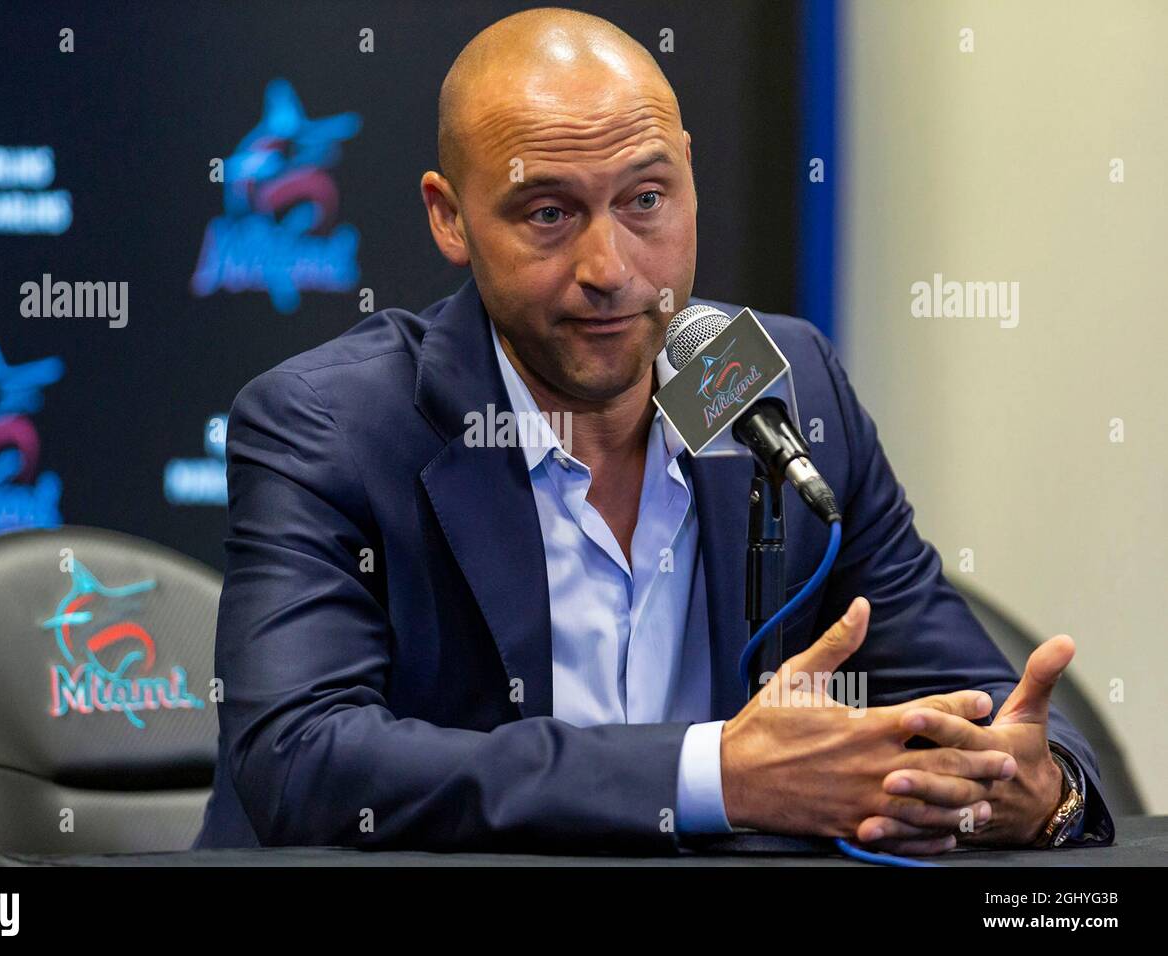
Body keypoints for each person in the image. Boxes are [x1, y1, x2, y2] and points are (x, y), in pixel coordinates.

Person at [195, 7, 1112, 855]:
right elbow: (302, 759)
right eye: (549, 213)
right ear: (450, 217)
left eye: (646, 201)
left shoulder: (780, 385)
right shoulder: (332, 425)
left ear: (690, 182)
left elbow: (985, 694)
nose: (611, 268)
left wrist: (1037, 787)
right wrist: (719, 774)